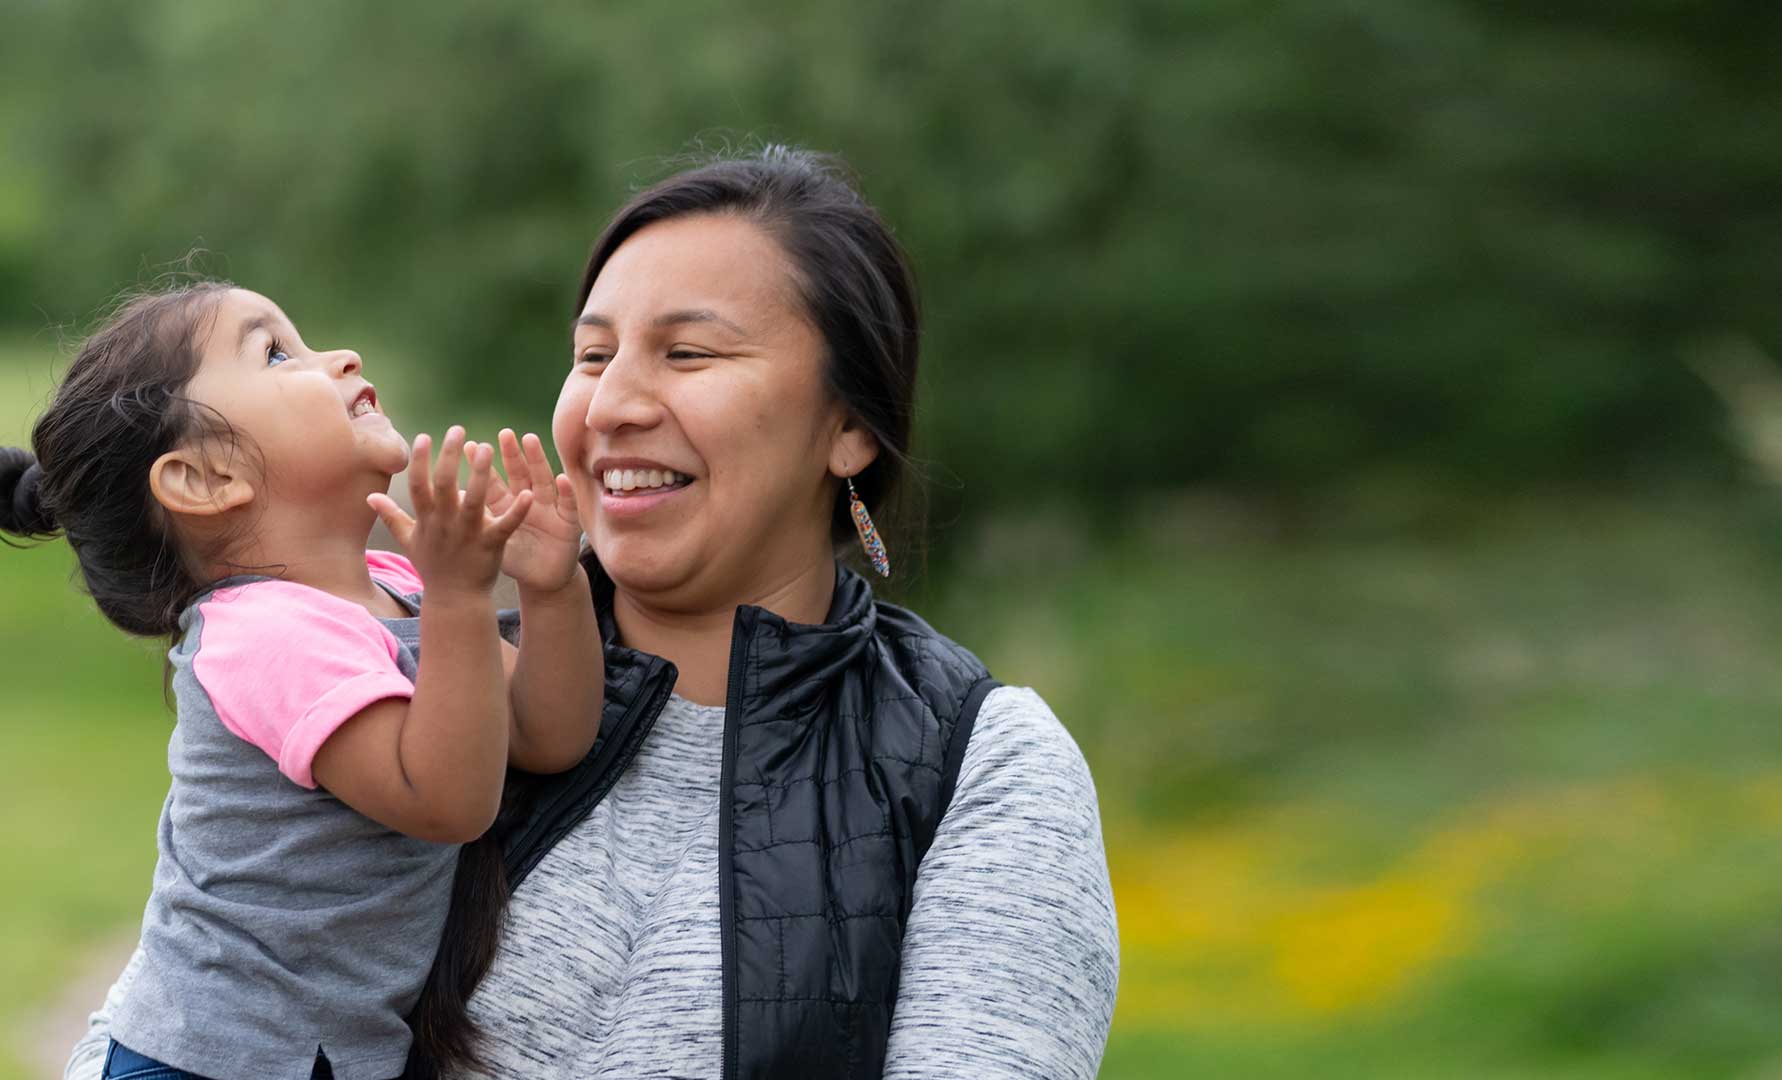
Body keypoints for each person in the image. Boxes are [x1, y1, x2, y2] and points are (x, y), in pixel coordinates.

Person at [69, 146, 1119, 1080]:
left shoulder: (979, 763)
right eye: (592, 355)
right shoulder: (443, 667)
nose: (614, 402)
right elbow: (193, 991)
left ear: (848, 428)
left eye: (690, 353)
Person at [7, 285, 603, 1079]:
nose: (341, 357)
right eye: (277, 353)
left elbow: (547, 735)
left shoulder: (398, 588)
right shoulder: (261, 633)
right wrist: (463, 597)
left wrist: (550, 589)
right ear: (204, 479)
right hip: (210, 1060)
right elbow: (448, 801)